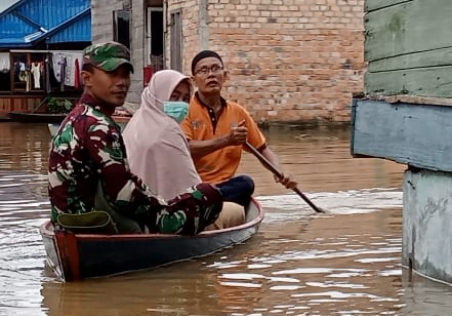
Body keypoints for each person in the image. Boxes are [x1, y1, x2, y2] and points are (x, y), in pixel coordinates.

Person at [48, 42, 226, 235]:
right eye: (112, 74)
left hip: (67, 223)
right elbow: (123, 194)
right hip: (101, 224)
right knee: (210, 194)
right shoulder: (99, 125)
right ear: (87, 78)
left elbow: (123, 180)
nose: (122, 82)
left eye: (125, 75)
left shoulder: (74, 117)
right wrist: (165, 212)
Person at [123, 69, 250, 229]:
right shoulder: (168, 130)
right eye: (174, 97)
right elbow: (194, 192)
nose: (180, 104)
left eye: (184, 99)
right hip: (166, 216)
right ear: (157, 95)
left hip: (139, 208)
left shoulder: (136, 121)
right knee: (239, 202)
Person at [183, 50, 298, 190]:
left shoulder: (238, 113)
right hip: (193, 187)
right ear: (194, 80)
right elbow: (184, 148)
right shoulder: (185, 110)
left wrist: (280, 172)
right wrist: (227, 140)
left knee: (245, 183)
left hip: (224, 187)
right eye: (204, 70)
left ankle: (214, 200)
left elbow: (262, 149)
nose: (211, 75)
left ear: (224, 75)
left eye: (215, 69)